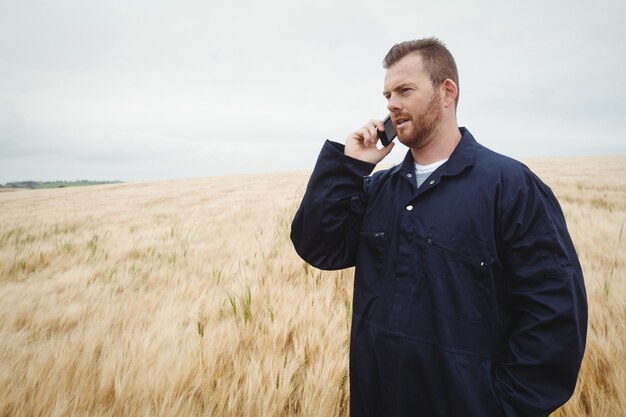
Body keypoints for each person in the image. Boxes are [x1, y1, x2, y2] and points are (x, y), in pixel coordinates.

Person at [290, 37, 587, 417]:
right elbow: (318, 246)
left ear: (447, 92)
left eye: (404, 90)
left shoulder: (510, 186)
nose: (391, 104)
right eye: (386, 95)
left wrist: (500, 407)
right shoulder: (378, 189)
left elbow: (555, 315)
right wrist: (352, 167)